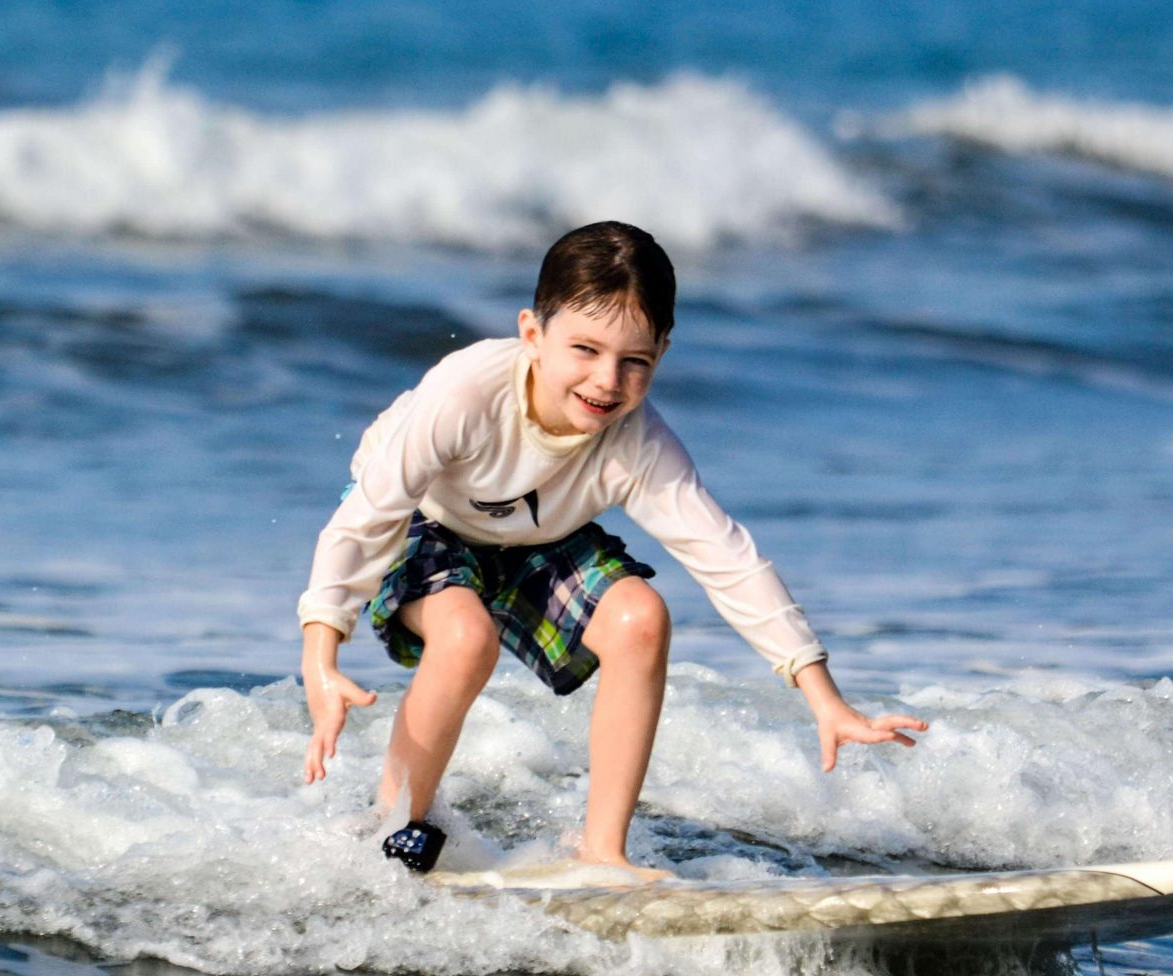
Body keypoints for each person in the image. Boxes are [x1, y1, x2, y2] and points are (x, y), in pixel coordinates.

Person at [298, 221, 926, 875]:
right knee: (464, 638)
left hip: (538, 533)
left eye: (636, 361)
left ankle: (602, 851)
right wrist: (323, 653)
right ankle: (396, 826)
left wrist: (822, 694)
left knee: (641, 618)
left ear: (662, 353)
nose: (607, 380)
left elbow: (726, 555)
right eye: (586, 349)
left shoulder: (636, 441)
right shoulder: (464, 395)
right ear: (532, 334)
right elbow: (364, 520)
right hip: (425, 519)